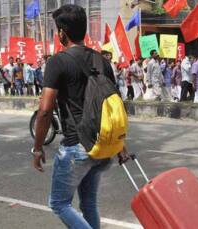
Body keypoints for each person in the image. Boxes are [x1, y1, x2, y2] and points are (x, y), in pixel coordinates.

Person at [32, 5, 129, 229]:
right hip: (103, 144)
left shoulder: (58, 61)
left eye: (57, 30)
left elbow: (45, 110)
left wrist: (37, 148)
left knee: (58, 203)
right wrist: (121, 144)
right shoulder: (102, 61)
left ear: (62, 33)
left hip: (78, 145)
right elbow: (113, 106)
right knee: (89, 202)